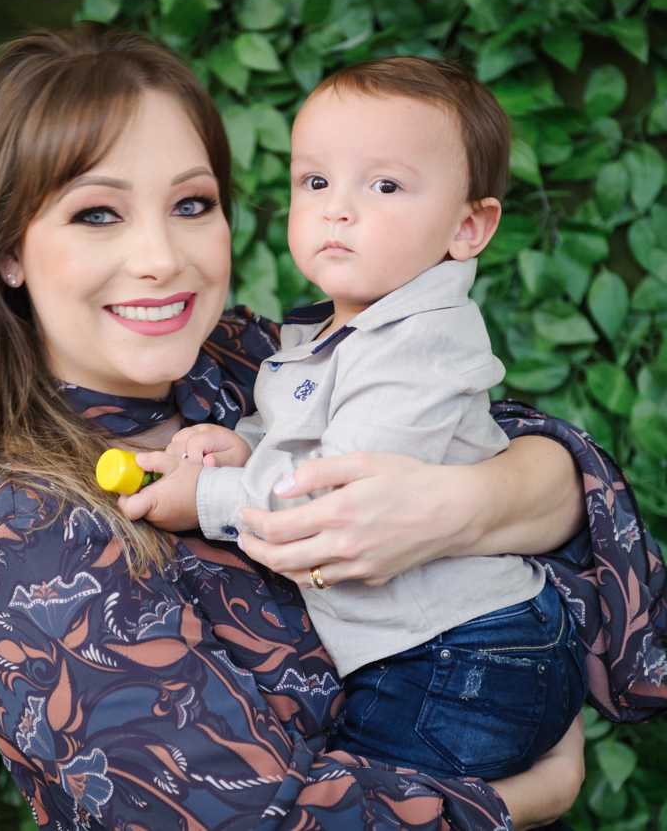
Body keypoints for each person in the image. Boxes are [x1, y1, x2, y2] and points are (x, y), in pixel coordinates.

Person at [0, 24, 667, 831]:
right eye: (97, 214)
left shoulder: (243, 355)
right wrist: (520, 801)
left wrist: (457, 506)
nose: (160, 256)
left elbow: (569, 474)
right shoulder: (28, 536)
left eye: (192, 204)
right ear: (8, 250)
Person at [131, 57, 587, 782]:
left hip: (461, 652)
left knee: (363, 800)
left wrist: (207, 499)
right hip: (442, 648)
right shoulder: (326, 334)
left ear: (469, 226)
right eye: (315, 182)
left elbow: (334, 501)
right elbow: (302, 433)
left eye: (384, 185)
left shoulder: (417, 344)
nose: (337, 209)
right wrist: (241, 446)